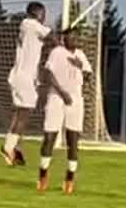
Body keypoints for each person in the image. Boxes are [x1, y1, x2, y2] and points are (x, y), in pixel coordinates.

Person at [38, 27, 93, 194]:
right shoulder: (57, 52)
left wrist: (81, 66)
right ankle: (43, 174)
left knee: (73, 140)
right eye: (68, 37)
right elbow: (48, 74)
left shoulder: (81, 55)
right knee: (49, 137)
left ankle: (69, 178)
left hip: (75, 101)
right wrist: (62, 93)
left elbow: (88, 75)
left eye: (75, 37)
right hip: (57, 98)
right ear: (63, 39)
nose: (71, 40)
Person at [2, 2, 50, 165]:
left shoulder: (28, 26)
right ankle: (9, 147)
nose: (45, 17)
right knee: (24, 114)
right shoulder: (32, 24)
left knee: (19, 114)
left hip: (18, 75)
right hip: (24, 77)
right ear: (37, 13)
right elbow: (53, 38)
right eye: (43, 13)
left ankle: (13, 150)